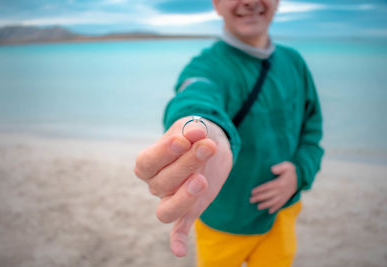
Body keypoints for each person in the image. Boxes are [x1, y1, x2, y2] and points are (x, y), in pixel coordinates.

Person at [134, 0, 324, 266]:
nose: (249, 2)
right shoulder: (208, 66)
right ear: (216, 4)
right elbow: (196, 92)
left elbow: (311, 130)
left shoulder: (294, 62)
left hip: (282, 212)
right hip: (223, 220)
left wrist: (300, 172)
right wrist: (199, 125)